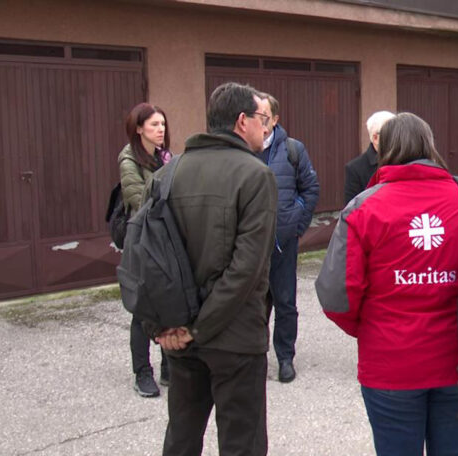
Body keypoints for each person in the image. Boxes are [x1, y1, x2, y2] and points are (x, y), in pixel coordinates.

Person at [315, 113, 458, 456]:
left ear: (384, 149)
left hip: (389, 365)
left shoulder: (363, 209)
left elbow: (337, 296)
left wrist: (374, 329)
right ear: (430, 146)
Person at [155, 82, 278, 455]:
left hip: (180, 335)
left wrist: (164, 327)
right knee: (242, 443)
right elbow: (247, 270)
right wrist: (196, 329)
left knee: (182, 438)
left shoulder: (168, 173)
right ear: (242, 121)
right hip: (234, 338)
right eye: (261, 119)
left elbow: (143, 262)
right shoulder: (255, 175)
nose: (265, 128)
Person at [257, 93, 319, 383]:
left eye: (264, 115)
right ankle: (256, 357)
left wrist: (297, 225)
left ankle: (285, 358)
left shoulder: (293, 149)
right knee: (253, 306)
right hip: (251, 245)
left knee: (285, 303)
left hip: (283, 243)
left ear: (275, 119)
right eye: (254, 115)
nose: (259, 121)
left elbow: (310, 189)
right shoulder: (241, 149)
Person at [118, 102, 173, 398]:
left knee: (167, 301)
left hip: (164, 238)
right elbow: (140, 201)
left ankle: (168, 366)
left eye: (162, 124)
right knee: (141, 308)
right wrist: (165, 178)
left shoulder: (166, 157)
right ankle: (142, 372)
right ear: (139, 129)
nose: (160, 129)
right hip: (140, 240)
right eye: (154, 124)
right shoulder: (128, 159)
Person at [344, 110, 395, 204]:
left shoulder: (406, 160)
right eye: (391, 133)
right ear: (375, 138)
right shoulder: (355, 169)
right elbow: (352, 208)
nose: (397, 137)